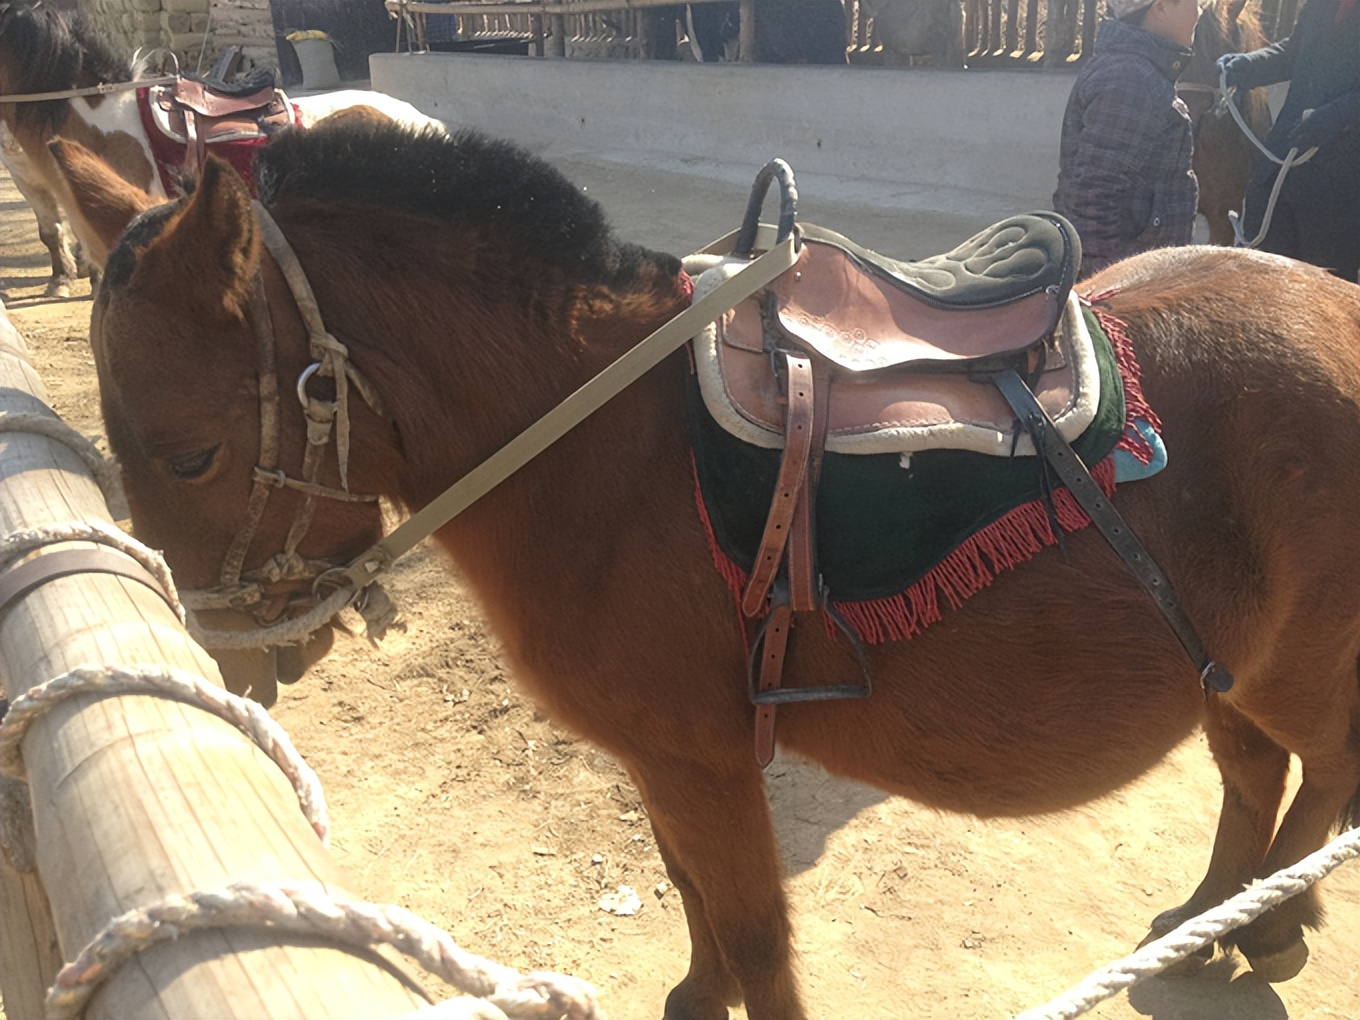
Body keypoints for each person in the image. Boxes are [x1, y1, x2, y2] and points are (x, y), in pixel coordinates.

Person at [1052, 0, 1203, 276]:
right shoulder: (1131, 80)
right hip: (1126, 286)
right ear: (1161, 8)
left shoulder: (1138, 71)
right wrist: (1109, 293)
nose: (1199, 12)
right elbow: (1093, 202)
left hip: (1139, 276)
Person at [1217, 0, 1360, 282]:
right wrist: (1251, 64)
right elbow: (1294, 52)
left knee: (1322, 292)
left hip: (1340, 191)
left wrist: (1340, 115)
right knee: (1258, 279)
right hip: (1282, 168)